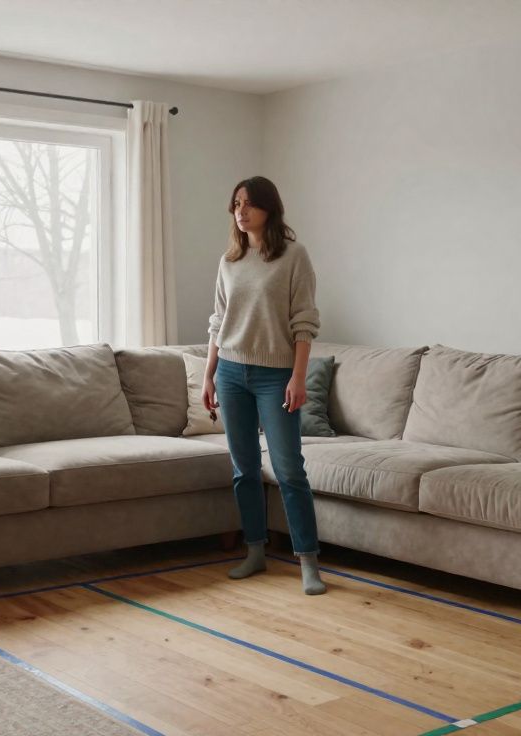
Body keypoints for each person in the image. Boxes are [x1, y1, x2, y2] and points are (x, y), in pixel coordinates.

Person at [203, 176, 326, 595]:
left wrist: (297, 376)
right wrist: (208, 375)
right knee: (244, 470)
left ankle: (308, 561)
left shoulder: (294, 256)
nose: (241, 211)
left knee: (290, 470)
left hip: (276, 376)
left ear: (269, 209)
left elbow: (304, 321)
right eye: (236, 203)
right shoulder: (229, 260)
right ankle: (254, 553)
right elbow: (219, 322)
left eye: (250, 204)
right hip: (231, 373)